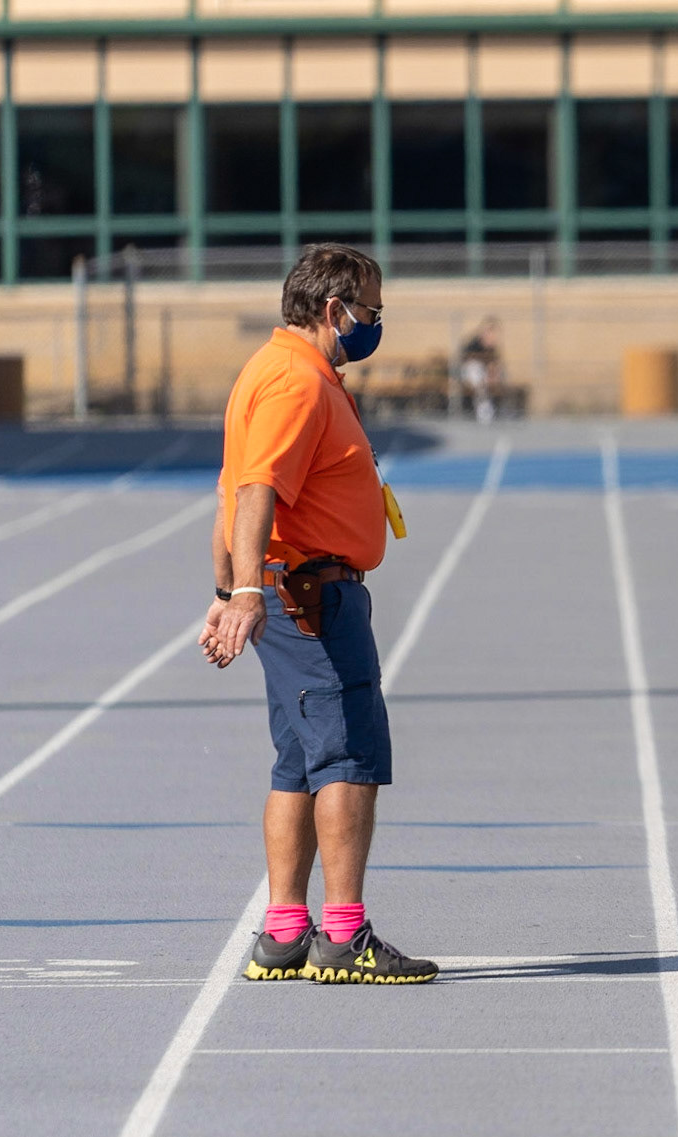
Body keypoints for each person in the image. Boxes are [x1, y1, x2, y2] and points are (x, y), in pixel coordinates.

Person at [201, 243, 438, 986]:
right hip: (310, 598)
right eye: (370, 310)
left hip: (292, 591)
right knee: (346, 758)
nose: (375, 324)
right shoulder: (296, 381)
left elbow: (234, 486)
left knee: (299, 764)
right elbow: (256, 491)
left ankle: (283, 933)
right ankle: (341, 934)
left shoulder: (279, 370)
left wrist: (229, 588)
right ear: (334, 310)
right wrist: (243, 592)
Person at [459, 317, 505, 423]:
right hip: (470, 374)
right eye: (489, 332)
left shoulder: (492, 348)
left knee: (497, 373)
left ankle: (490, 409)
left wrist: (493, 373)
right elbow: (467, 360)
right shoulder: (473, 344)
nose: (491, 336)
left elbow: (493, 364)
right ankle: (483, 410)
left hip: (485, 377)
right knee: (476, 370)